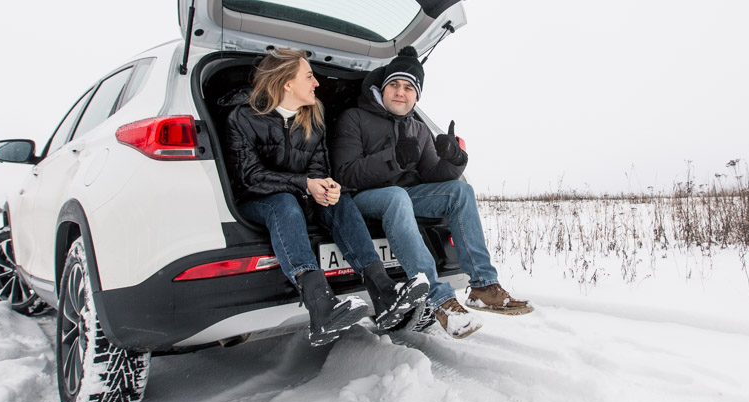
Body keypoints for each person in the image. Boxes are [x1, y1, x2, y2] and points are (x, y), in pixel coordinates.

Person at [226, 49, 428, 346]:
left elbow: (318, 168)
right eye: (309, 76)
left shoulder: (313, 116)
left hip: (301, 193)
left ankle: (383, 292)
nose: (316, 83)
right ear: (287, 83)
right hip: (258, 198)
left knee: (340, 200)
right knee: (284, 203)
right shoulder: (243, 116)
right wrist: (305, 184)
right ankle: (320, 306)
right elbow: (249, 176)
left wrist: (326, 186)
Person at [330, 46, 533, 340]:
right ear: (382, 88)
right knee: (397, 197)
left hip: (405, 196)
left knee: (460, 191)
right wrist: (393, 159)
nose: (401, 92)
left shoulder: (418, 128)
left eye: (409, 88)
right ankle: (440, 300)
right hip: (363, 197)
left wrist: (454, 160)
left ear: (417, 96)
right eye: (395, 85)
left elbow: (432, 175)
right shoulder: (355, 118)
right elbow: (345, 174)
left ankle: (483, 285)